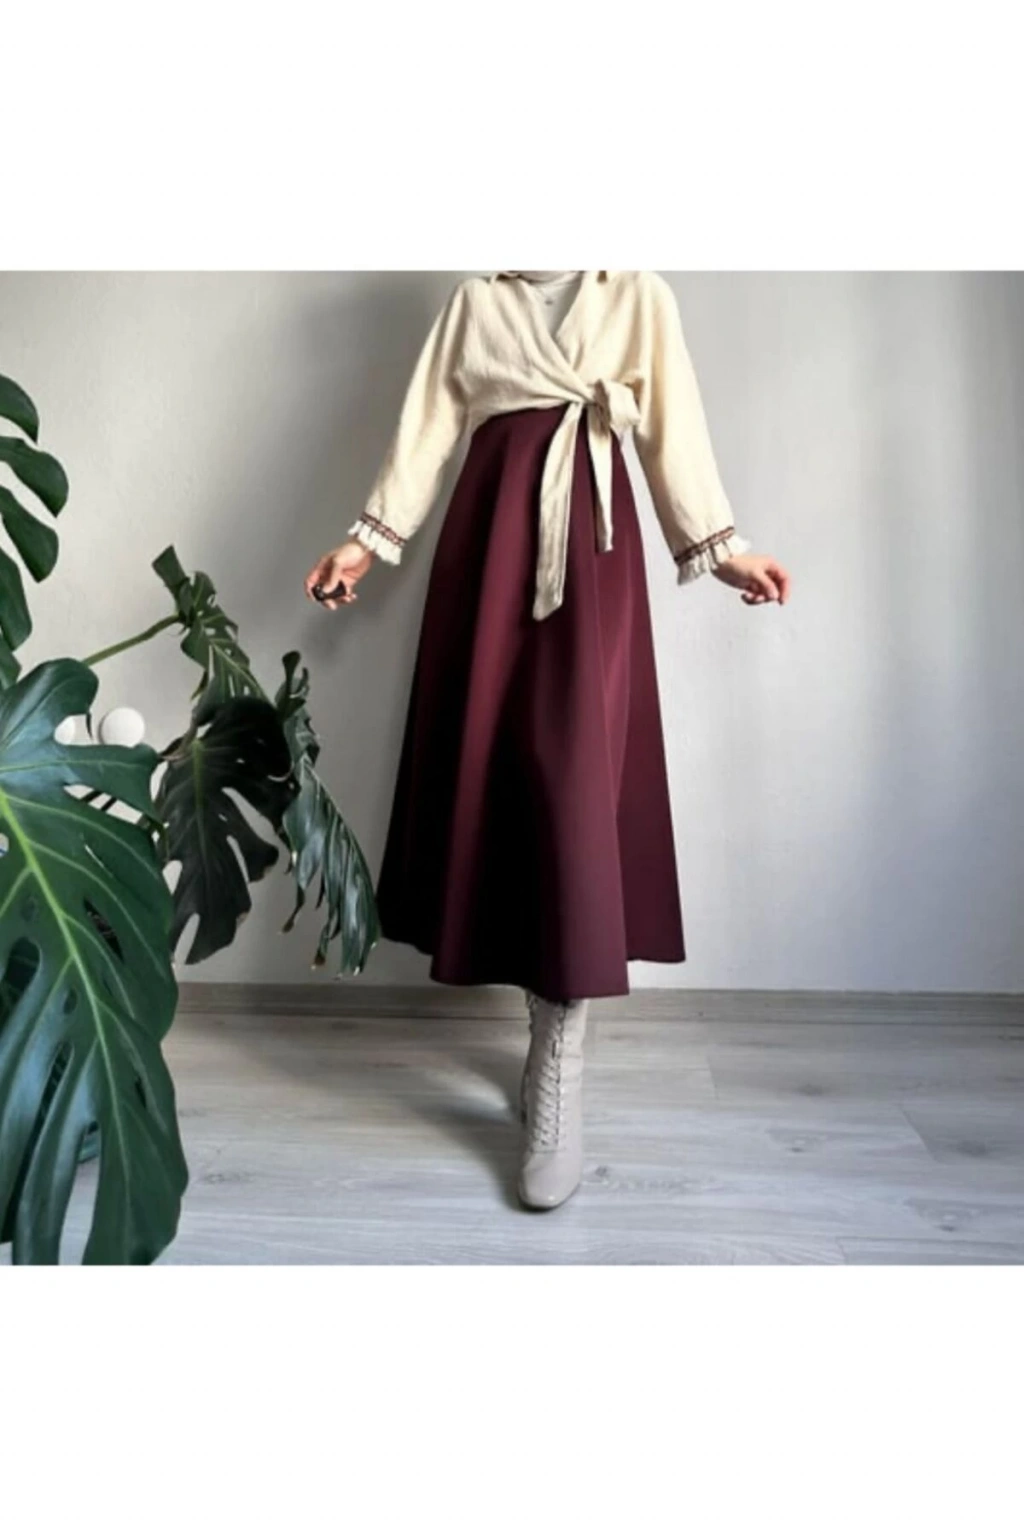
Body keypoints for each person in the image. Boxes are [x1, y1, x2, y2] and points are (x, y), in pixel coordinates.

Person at [305, 270, 791, 1214]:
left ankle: (560, 1049)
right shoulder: (477, 301)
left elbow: (674, 430)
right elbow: (426, 432)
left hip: (596, 550)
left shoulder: (637, 294)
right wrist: (367, 540)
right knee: (496, 773)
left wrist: (723, 550)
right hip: (488, 548)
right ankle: (545, 1030)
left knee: (577, 785)